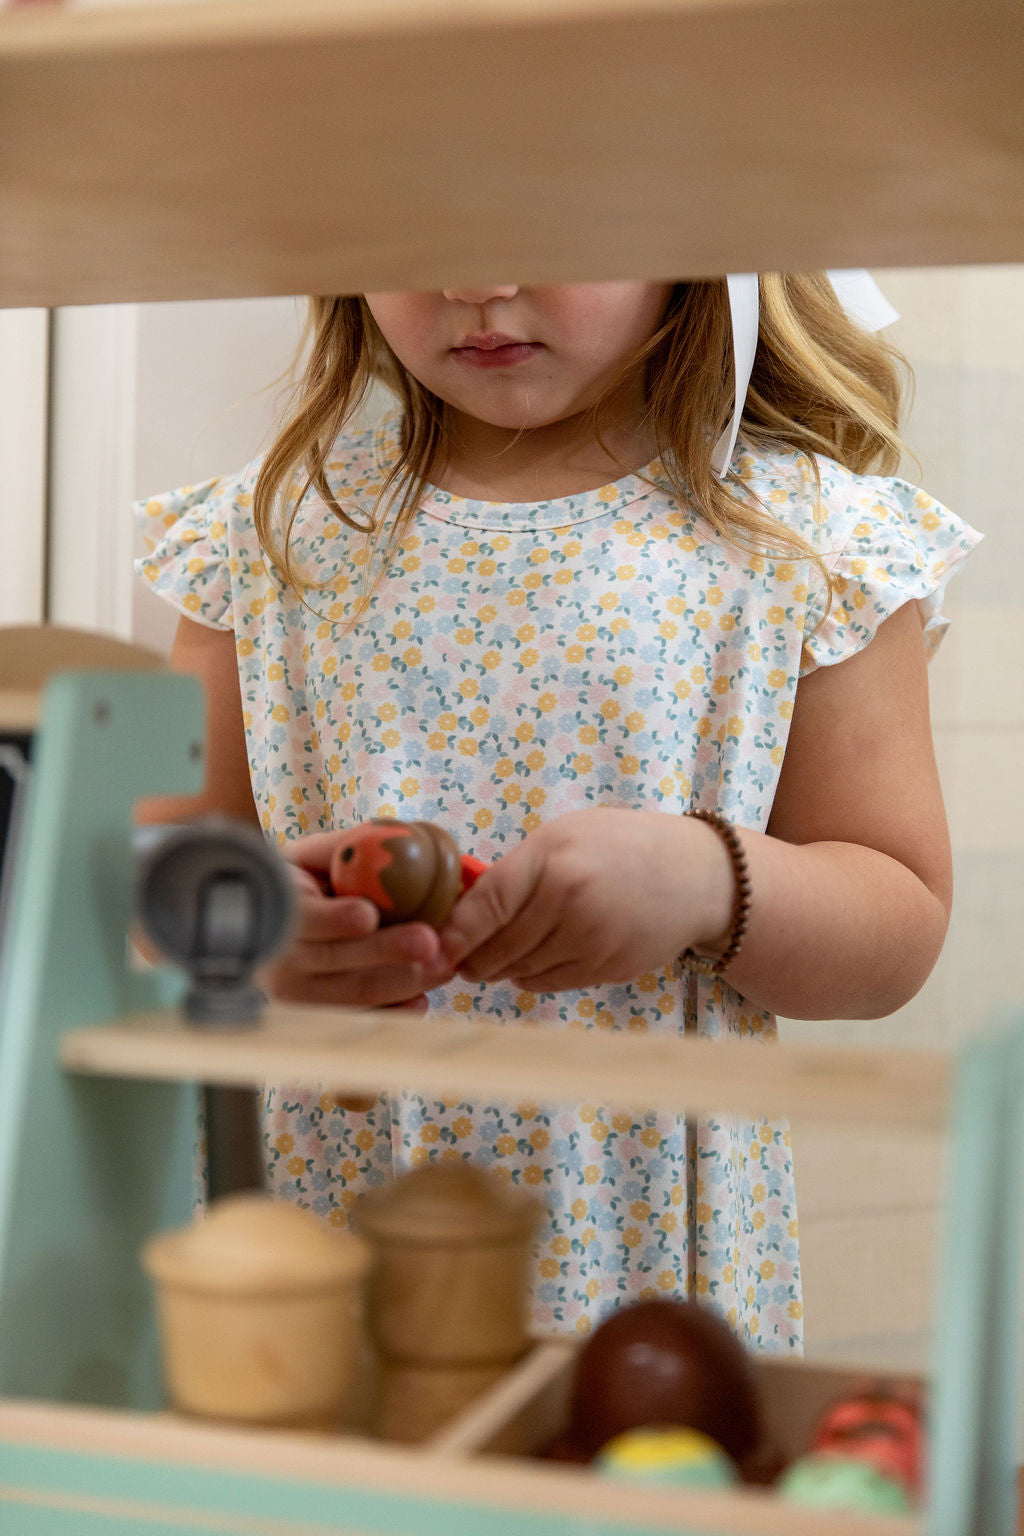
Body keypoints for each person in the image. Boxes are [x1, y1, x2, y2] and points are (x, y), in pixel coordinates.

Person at [135, 276, 979, 1352]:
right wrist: (250, 948)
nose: (476, 282)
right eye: (418, 231)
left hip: (645, 1262)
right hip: (316, 1247)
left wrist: (705, 879)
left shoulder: (810, 542)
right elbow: (141, 904)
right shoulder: (265, 538)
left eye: (552, 225)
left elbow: (896, 923)